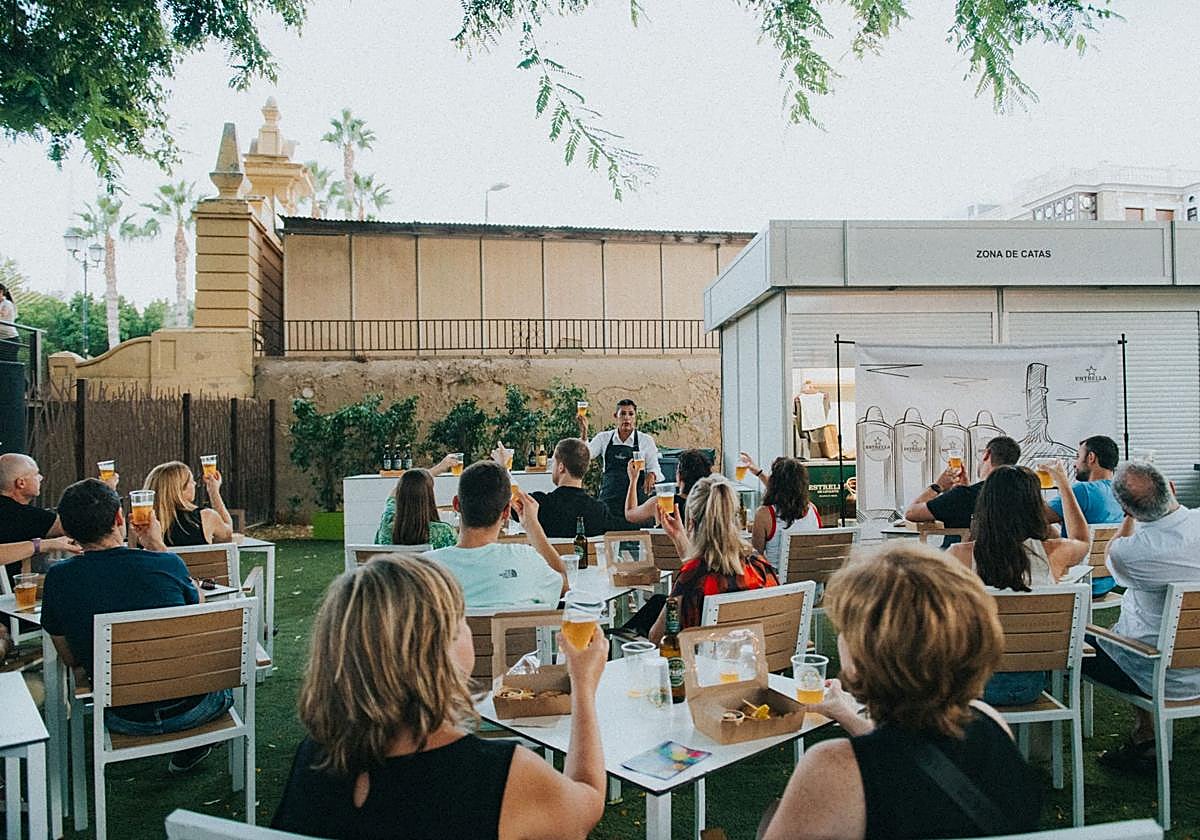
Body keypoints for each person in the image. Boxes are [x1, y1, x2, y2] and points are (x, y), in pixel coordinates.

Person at [272, 555, 607, 839]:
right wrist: (583, 688)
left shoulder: (315, 757)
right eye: (459, 618)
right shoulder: (496, 775)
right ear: (437, 650)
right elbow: (586, 805)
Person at [761, 543, 1041, 840]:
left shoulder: (831, 768)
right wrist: (845, 713)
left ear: (863, 655)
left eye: (845, 629)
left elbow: (893, 764)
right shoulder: (991, 724)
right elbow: (911, 755)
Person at [40, 479, 233, 773]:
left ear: (66, 530)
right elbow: (198, 629)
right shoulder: (168, 565)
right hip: (194, 709)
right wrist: (157, 545)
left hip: (122, 716)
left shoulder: (58, 579)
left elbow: (70, 658)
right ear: (119, 518)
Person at [1084, 461, 1200, 773]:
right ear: (1173, 488)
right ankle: (1145, 733)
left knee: (1076, 640)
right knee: (1126, 631)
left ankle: (1145, 736)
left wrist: (1127, 519)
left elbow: (1112, 551)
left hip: (1165, 675)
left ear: (1128, 510)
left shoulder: (1131, 553)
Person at [948, 461, 1089, 705]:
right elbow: (1082, 539)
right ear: (1036, 507)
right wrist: (1063, 485)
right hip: (1031, 684)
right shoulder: (1055, 553)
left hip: (971, 685)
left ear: (985, 506)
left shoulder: (959, 555)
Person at [649, 475, 778, 640]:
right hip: (752, 661)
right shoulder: (758, 566)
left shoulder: (693, 577)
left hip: (703, 663)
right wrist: (679, 537)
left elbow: (656, 638)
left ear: (692, 523)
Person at [425, 461, 567, 609]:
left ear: (456, 504)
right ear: (506, 513)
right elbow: (564, 585)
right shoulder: (527, 560)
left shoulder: (425, 569)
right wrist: (532, 526)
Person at [1045, 435, 1125, 596]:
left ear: (1091, 457)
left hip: (1077, 579)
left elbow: (1035, 517)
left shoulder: (1082, 491)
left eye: (1077, 457)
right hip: (1108, 581)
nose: (1075, 464)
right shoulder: (1121, 492)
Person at [904, 436, 1021, 543]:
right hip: (1003, 563)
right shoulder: (1021, 495)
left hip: (956, 562)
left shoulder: (963, 496)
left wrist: (938, 486)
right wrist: (964, 489)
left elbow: (911, 513)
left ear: (987, 454)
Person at [521, 439, 629, 537]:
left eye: (553, 462)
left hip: (548, 559)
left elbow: (508, 500)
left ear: (561, 467)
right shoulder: (599, 511)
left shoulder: (539, 505)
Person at [576, 398, 661, 518]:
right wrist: (584, 432)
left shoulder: (646, 440)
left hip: (636, 504)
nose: (627, 418)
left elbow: (655, 467)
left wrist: (652, 474)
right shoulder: (603, 438)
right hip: (609, 501)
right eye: (623, 414)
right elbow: (585, 456)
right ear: (616, 416)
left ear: (635, 417)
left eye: (631, 414)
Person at [748, 457, 821, 572]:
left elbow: (756, 558)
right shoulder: (813, 509)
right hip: (811, 584)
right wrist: (759, 473)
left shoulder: (764, 514)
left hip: (780, 586)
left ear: (774, 483)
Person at [143, 460, 233, 546]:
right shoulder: (206, 517)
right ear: (179, 489)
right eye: (191, 481)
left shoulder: (141, 525)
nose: (194, 483)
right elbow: (227, 535)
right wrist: (214, 492)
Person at [624, 448, 712, 526]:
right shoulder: (711, 503)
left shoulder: (661, 503)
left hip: (669, 544)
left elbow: (630, 514)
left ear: (679, 476)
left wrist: (633, 480)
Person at [374, 468, 457, 548]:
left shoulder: (385, 529)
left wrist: (438, 469)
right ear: (428, 496)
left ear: (400, 495)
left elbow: (391, 498)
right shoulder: (443, 532)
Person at [0, 283, 18, 362]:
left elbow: (3, 314)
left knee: (8, 363)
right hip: (1, 338)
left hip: (10, 338)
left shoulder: (7, 303)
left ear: (1, 292)